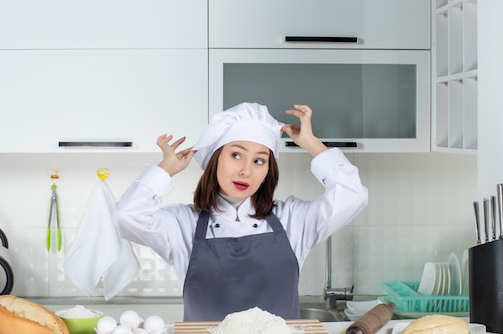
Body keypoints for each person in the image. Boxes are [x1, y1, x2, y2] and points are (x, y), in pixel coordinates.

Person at [113, 102, 368, 321]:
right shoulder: (182, 224)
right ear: (215, 159)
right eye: (236, 155)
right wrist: (164, 169)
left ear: (268, 170)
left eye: (259, 160)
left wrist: (312, 144)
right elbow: (127, 215)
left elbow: (352, 195)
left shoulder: (293, 219)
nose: (246, 170)